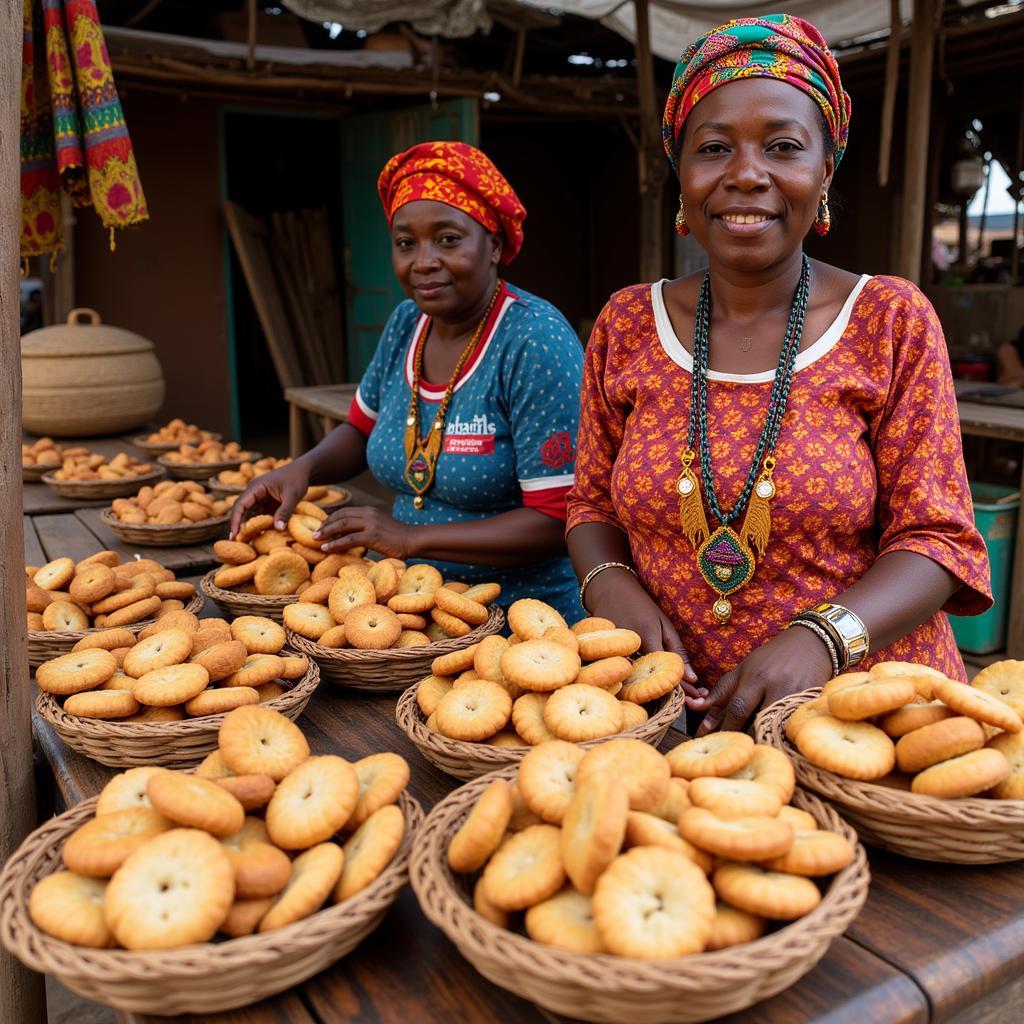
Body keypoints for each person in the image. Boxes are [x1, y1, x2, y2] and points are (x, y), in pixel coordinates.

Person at [566, 15, 991, 734]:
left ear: (825, 171)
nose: (746, 174)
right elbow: (590, 506)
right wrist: (613, 589)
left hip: (865, 715)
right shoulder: (627, 323)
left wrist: (823, 638)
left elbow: (939, 540)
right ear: (682, 174)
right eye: (713, 149)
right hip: (666, 717)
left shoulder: (889, 320)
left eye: (784, 147)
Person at [231, 141, 584, 620]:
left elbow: (559, 517)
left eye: (448, 239)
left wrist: (410, 535)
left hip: (516, 616)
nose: (423, 261)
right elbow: (360, 429)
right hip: (404, 605)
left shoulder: (533, 341)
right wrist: (301, 470)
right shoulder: (406, 324)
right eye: (405, 242)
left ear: (495, 244)